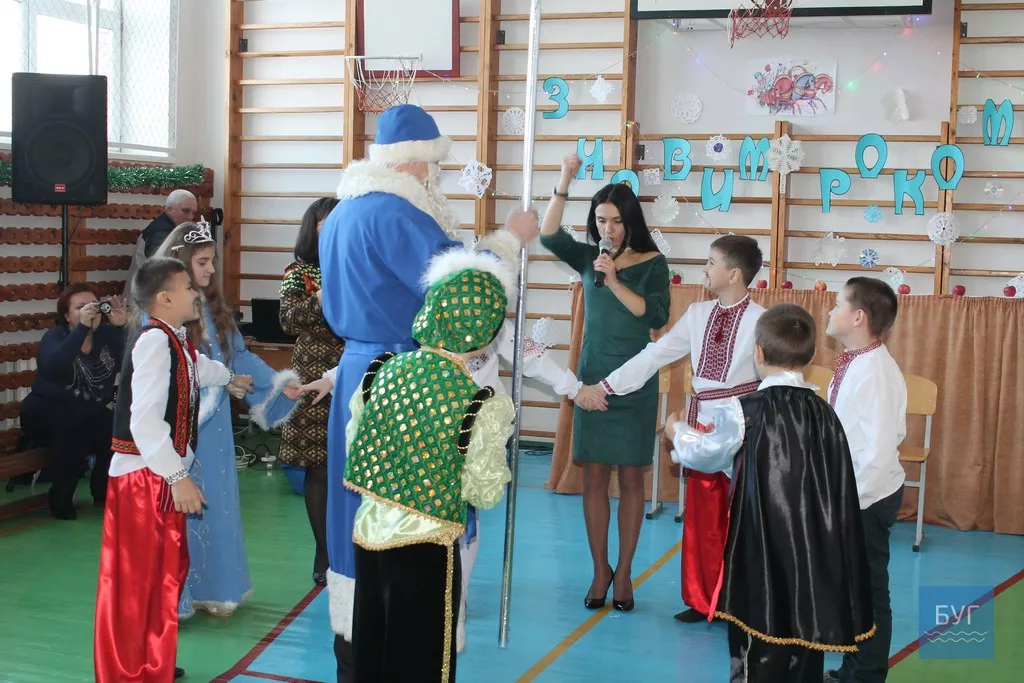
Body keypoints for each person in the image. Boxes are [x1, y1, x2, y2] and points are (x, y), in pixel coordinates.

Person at [317, 103, 544, 680]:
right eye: (433, 167)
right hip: (409, 375)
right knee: (419, 515)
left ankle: (355, 649)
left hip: (360, 371)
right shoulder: (396, 212)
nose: (434, 178)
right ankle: (412, 643)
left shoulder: (342, 211)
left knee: (358, 510)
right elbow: (464, 288)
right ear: (415, 163)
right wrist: (509, 240)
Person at [667, 303, 875, 683]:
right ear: (811, 356)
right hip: (810, 551)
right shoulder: (825, 414)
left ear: (758, 353)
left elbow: (707, 454)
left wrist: (677, 432)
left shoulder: (746, 411)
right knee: (804, 643)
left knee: (756, 646)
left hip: (762, 545)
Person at [343, 250, 518, 683]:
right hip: (427, 545)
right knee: (421, 661)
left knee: (372, 648)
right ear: (485, 331)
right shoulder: (479, 402)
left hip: (368, 533)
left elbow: (355, 443)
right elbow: (484, 492)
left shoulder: (381, 372)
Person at [576, 234, 765, 623]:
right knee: (703, 515)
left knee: (743, 516)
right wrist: (605, 386)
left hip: (744, 423)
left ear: (733, 274)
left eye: (711, 263)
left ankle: (740, 602)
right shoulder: (697, 314)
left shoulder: (762, 320)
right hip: (701, 425)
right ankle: (704, 599)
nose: (705, 269)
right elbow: (655, 355)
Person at [94, 257, 253, 683]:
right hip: (143, 479)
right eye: (187, 287)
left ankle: (151, 660)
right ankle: (127, 670)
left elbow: (196, 368)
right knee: (138, 581)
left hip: (158, 477)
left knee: (164, 573)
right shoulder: (153, 342)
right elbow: (145, 420)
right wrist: (178, 477)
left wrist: (229, 378)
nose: (196, 294)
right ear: (164, 298)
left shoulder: (173, 340)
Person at [539, 154, 670, 612]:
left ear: (630, 221)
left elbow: (654, 316)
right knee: (594, 476)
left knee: (631, 478)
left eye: (615, 220)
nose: (608, 229)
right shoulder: (587, 257)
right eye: (600, 220)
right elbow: (548, 234)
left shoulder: (653, 262)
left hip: (634, 382)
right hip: (593, 380)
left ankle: (626, 572)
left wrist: (612, 279)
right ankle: (600, 570)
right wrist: (564, 178)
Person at [154, 219, 303, 620]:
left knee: (215, 505)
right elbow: (166, 374)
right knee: (178, 510)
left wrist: (276, 384)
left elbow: (237, 356)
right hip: (181, 428)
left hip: (215, 427)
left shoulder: (213, 308)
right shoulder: (163, 313)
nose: (211, 269)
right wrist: (223, 381)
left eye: (212, 261)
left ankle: (214, 588)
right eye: (202, 262)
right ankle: (177, 595)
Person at [823, 277, 907, 683]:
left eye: (837, 304)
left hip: (867, 497)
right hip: (854, 490)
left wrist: (848, 504)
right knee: (854, 588)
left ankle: (866, 674)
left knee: (870, 590)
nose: (830, 309)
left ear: (858, 317)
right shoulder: (856, 361)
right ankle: (854, 668)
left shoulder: (875, 371)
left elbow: (878, 452)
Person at [19, 284, 128, 519]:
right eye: (81, 307)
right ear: (67, 316)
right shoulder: (55, 336)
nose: (90, 311)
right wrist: (81, 330)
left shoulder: (107, 335)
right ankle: (61, 498)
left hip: (86, 411)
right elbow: (53, 368)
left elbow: (132, 363)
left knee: (115, 427)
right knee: (74, 431)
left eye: (94, 305)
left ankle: (103, 491)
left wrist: (121, 328)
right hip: (45, 410)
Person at [279, 197, 344, 587]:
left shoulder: (356, 263)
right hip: (314, 370)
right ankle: (323, 548)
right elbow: (287, 320)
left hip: (356, 366)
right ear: (312, 229)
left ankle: (352, 546)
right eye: (325, 222)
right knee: (318, 467)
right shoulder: (299, 271)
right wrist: (320, 295)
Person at [124, 190, 199, 299]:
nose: (190, 217)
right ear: (169, 209)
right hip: (145, 302)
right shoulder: (160, 234)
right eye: (186, 211)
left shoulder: (168, 229)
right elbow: (166, 272)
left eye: (193, 213)